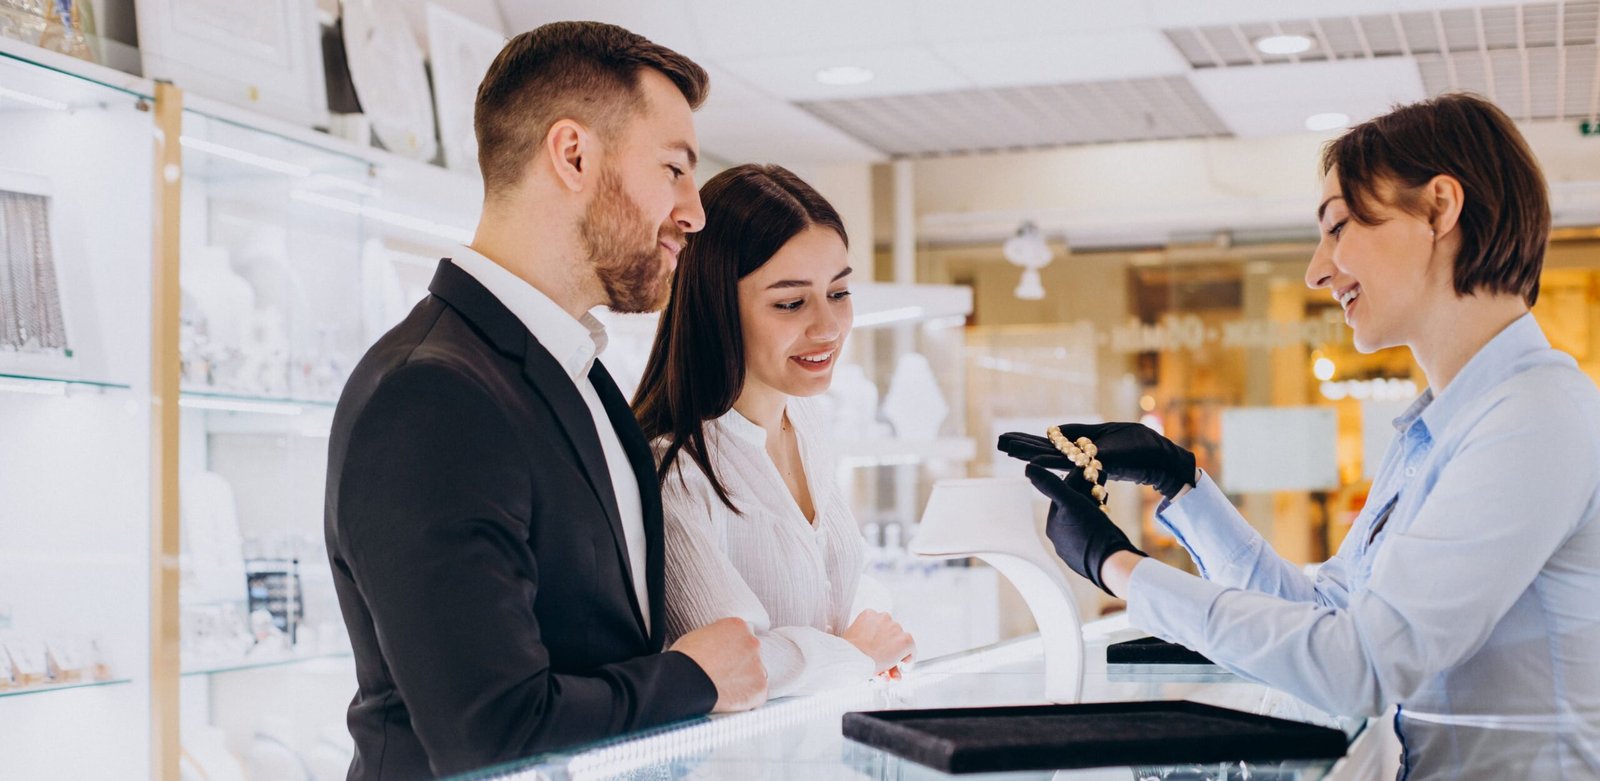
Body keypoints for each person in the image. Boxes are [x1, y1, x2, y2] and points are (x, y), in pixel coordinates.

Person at [1001, 93, 1600, 779]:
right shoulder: (1443, 428)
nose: (1318, 270)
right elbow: (1328, 609)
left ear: (1439, 209)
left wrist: (1116, 566)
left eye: (1338, 227)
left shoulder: (1533, 418)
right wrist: (1181, 481)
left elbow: (1361, 663)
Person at [324, 22, 766, 779]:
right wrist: (692, 678)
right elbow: (490, 732)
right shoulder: (431, 394)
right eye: (673, 170)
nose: (694, 212)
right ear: (573, 155)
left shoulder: (576, 374)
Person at [633, 164, 916, 698]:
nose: (827, 327)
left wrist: (869, 632)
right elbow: (730, 663)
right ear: (716, 307)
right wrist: (854, 655)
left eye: (839, 293)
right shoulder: (675, 468)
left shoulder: (806, 423)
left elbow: (836, 581)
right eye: (790, 303)